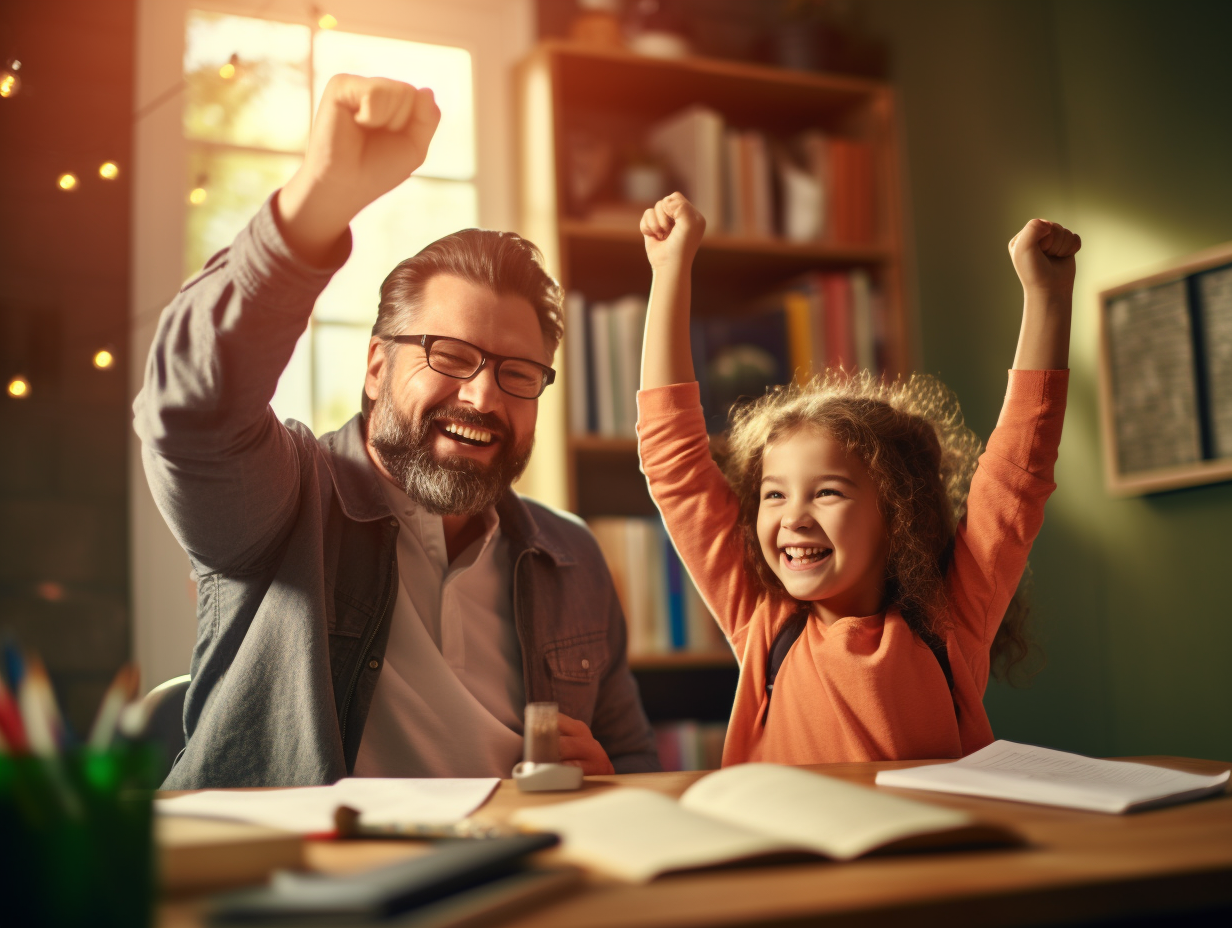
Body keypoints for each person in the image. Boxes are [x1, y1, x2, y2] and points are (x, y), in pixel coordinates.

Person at [134, 75, 658, 788]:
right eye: (450, 355)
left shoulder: (571, 557)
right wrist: (314, 203)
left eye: (518, 373)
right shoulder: (286, 504)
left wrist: (612, 780)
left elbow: (630, 761)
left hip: (512, 877)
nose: (481, 396)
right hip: (301, 882)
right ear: (377, 364)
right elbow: (190, 407)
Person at [636, 191, 1079, 765]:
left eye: (826, 492)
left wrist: (1047, 297)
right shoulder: (762, 621)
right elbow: (674, 465)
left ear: (897, 511)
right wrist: (670, 270)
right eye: (774, 495)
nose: (792, 516)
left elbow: (1019, 471)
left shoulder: (952, 622)